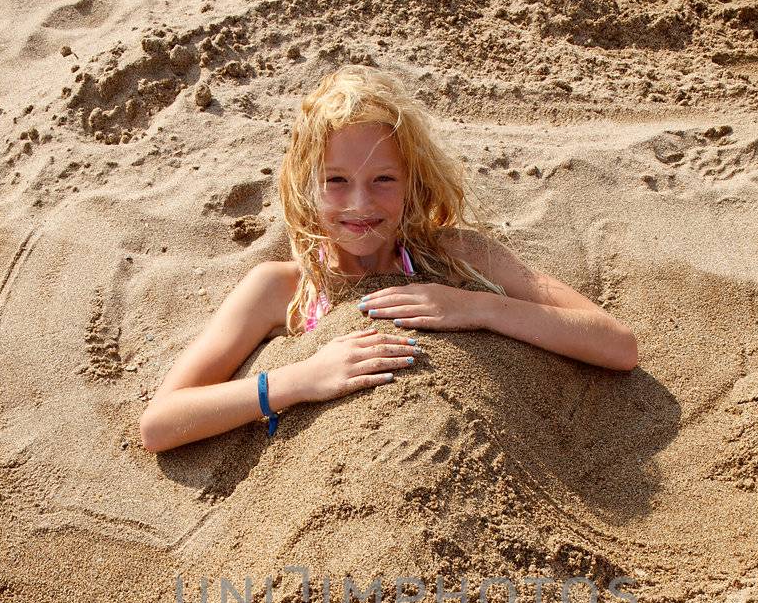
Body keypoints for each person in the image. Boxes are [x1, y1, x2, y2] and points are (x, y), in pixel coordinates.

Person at [139, 66, 639, 454]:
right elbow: (161, 423)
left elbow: (617, 345)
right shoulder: (281, 289)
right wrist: (299, 380)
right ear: (305, 188)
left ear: (413, 184)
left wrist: (478, 308)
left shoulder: (458, 256)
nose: (360, 204)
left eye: (383, 180)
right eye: (336, 181)